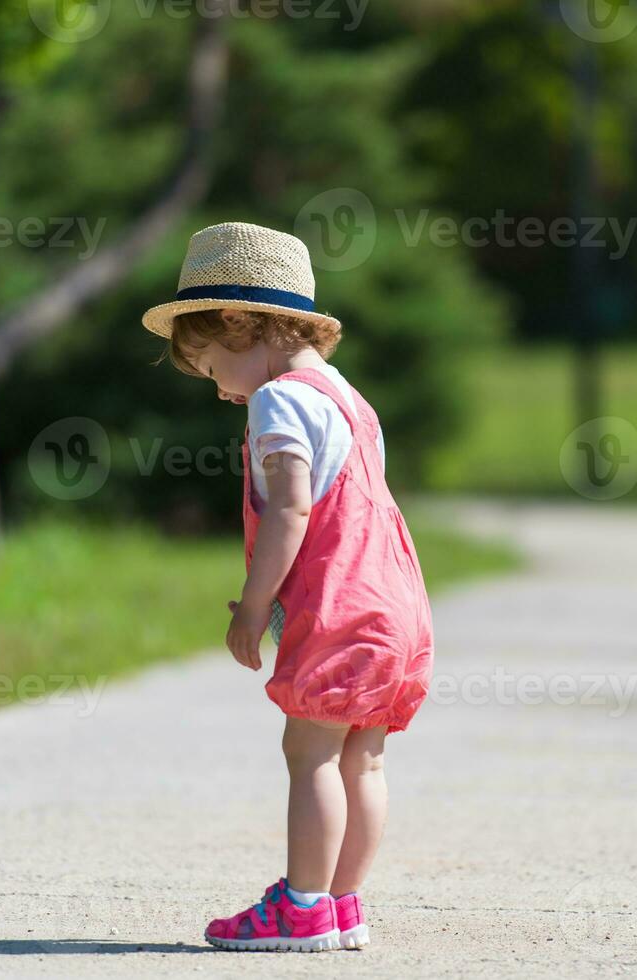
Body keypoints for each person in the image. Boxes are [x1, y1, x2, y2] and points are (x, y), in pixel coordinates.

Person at [143, 222, 435, 952]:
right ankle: (342, 905)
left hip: (341, 609)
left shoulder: (280, 402)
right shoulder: (347, 398)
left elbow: (291, 508)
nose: (219, 390)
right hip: (395, 604)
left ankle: (301, 906)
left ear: (241, 324)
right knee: (361, 757)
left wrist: (251, 603)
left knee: (307, 755)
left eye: (212, 366)